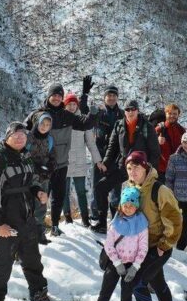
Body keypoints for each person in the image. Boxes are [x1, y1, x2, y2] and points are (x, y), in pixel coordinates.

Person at [0, 123, 51, 301]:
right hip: (6, 224)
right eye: (16, 135)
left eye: (23, 135)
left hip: (26, 220)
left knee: (32, 259)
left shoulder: (25, 157)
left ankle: (39, 292)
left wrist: (37, 192)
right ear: (7, 136)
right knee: (1, 266)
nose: (20, 138)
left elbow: (30, 182)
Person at [121, 152, 182, 301]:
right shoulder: (129, 187)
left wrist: (164, 244)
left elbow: (175, 220)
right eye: (129, 168)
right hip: (140, 247)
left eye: (137, 168)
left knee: (137, 281)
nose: (133, 172)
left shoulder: (159, 190)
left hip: (158, 245)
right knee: (156, 281)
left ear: (146, 168)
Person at [25, 79, 96, 237]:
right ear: (49, 96)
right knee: (40, 195)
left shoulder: (67, 116)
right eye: (54, 95)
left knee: (58, 196)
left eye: (59, 95)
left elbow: (85, 123)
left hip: (61, 163)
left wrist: (92, 110)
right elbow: (24, 132)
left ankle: (55, 225)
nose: (56, 98)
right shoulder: (39, 114)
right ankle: (36, 228)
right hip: (42, 165)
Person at [80, 187, 149, 301]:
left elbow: (143, 248)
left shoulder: (142, 224)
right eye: (125, 205)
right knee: (104, 294)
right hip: (114, 264)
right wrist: (117, 263)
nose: (128, 208)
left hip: (131, 266)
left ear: (136, 206)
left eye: (131, 205)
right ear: (121, 206)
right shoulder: (115, 223)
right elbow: (109, 245)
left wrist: (135, 267)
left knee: (126, 296)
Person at [91, 100, 162, 234]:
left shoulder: (146, 126)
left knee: (137, 198)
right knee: (100, 187)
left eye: (133, 109)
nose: (130, 112)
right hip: (123, 166)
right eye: (127, 110)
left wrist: (149, 170)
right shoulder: (119, 125)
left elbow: (155, 151)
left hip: (141, 169)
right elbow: (112, 147)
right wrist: (105, 163)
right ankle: (102, 223)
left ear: (137, 110)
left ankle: (141, 230)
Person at [62, 93, 101, 227]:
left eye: (74, 104)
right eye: (69, 104)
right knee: (64, 192)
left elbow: (91, 143)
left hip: (79, 162)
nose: (72, 107)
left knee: (81, 192)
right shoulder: (61, 119)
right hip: (63, 162)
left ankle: (85, 218)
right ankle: (68, 219)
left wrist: (98, 160)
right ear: (65, 105)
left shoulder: (83, 120)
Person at [88, 85, 122, 224]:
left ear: (117, 97)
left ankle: (114, 216)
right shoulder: (99, 113)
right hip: (100, 155)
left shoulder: (122, 114)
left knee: (116, 187)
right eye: (109, 95)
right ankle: (96, 214)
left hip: (116, 156)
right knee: (97, 186)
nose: (111, 98)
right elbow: (84, 115)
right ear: (105, 97)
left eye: (114, 95)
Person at [25, 111, 55, 245]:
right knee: (28, 206)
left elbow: (53, 156)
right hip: (29, 177)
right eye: (42, 123)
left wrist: (50, 167)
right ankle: (28, 235)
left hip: (44, 177)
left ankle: (40, 233)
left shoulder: (50, 139)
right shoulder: (28, 137)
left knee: (42, 205)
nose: (44, 126)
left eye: (48, 124)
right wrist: (35, 166)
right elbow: (23, 155)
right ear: (37, 123)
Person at [155, 103, 186, 182]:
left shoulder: (181, 130)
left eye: (175, 114)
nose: (172, 116)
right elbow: (149, 147)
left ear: (178, 115)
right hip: (161, 171)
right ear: (166, 114)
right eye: (170, 113)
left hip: (177, 170)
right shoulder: (158, 129)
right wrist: (157, 141)